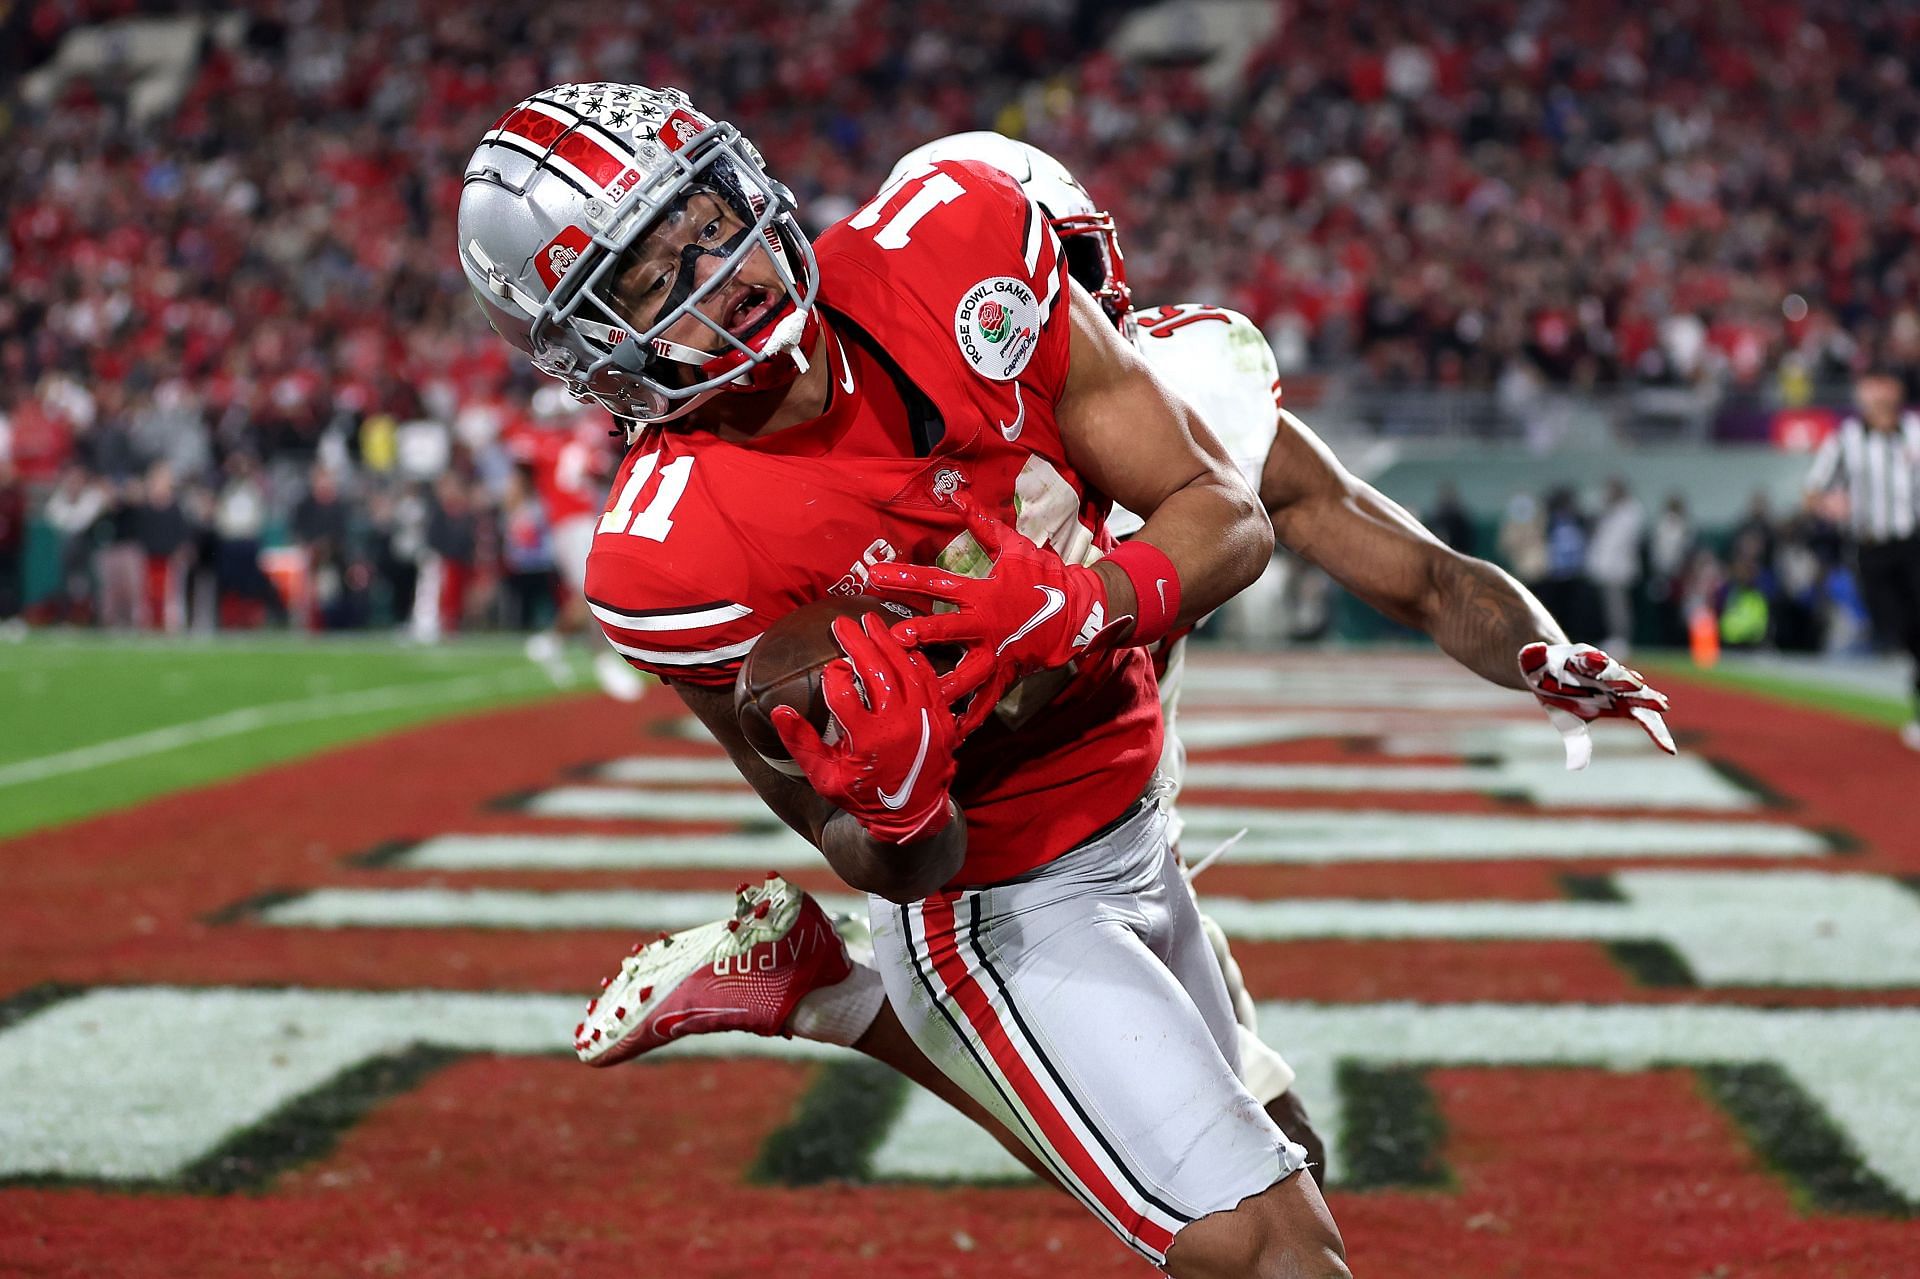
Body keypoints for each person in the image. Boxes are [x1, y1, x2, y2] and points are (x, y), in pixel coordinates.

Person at [458, 87, 1671, 1274]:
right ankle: (848, 1001)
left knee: (1280, 1152)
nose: (722, 269)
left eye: (710, 220)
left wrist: (1086, 605)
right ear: (593, 351)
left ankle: (833, 996)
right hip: (1004, 886)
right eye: (659, 275)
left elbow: (1271, 525)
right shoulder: (671, 552)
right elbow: (874, 852)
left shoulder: (982, 263)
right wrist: (894, 802)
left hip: (1140, 807)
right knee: (1268, 1250)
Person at [1805, 368, 1920, 748]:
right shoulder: (1847, 440)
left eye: (1883, 386)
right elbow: (1813, 491)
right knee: (1897, 629)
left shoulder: (1915, 432)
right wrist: (1827, 505)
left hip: (1912, 545)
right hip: (1871, 547)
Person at [1586, 478, 1645, 654]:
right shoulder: (1610, 511)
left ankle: (1621, 639)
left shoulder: (1631, 512)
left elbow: (1621, 541)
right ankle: (1615, 638)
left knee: (1618, 607)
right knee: (1610, 606)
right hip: (1607, 568)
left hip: (1619, 569)